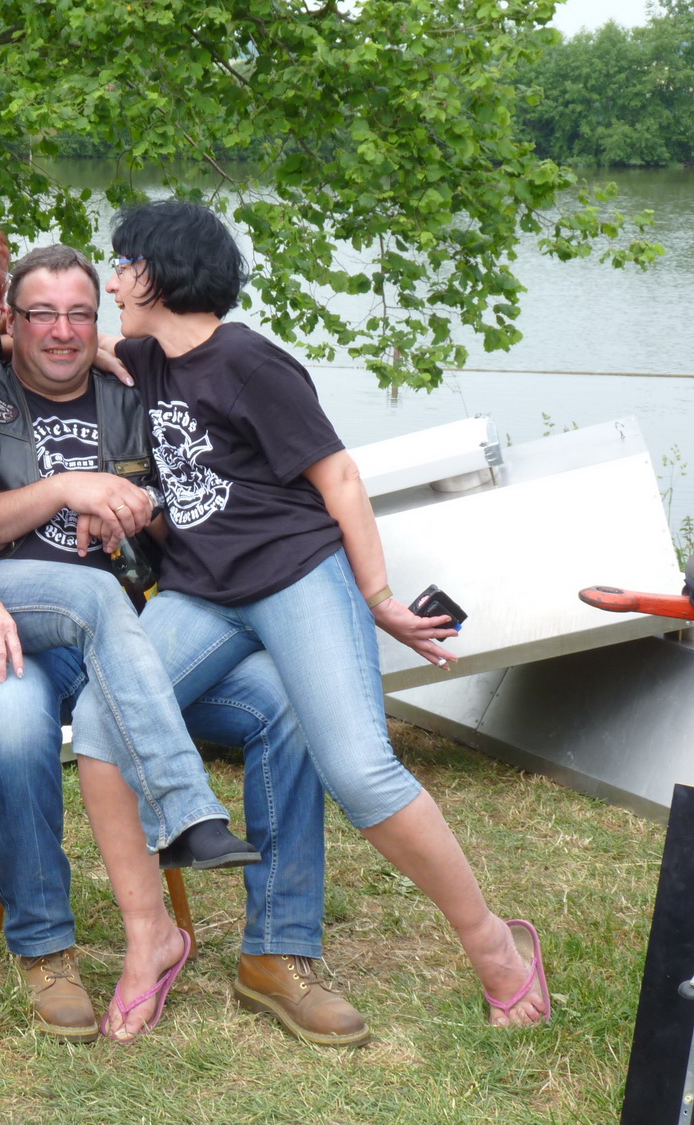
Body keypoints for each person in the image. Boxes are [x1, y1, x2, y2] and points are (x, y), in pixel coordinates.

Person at [103, 199, 551, 1028]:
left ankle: (494, 943)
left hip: (295, 576)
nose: (111, 283)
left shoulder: (249, 363)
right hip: (202, 593)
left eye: (122, 265)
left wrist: (378, 600)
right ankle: (152, 937)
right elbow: (61, 342)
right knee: (106, 714)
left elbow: (339, 477)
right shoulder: (144, 357)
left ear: (158, 273)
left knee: (360, 769)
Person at [0, 215, 259, 1072]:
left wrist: (99, 346)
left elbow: (41, 344)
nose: (4, 310)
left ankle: (184, 812)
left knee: (96, 593)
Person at [0, 244, 370, 1046]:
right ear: (11, 321)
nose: (62, 331)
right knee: (13, 725)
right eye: (41, 314)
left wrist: (135, 506)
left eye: (79, 313)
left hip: (137, 633)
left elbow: (187, 516)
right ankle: (46, 947)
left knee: (284, 702)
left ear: (101, 320)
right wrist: (65, 488)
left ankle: (278, 949)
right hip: (20, 634)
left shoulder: (137, 388)